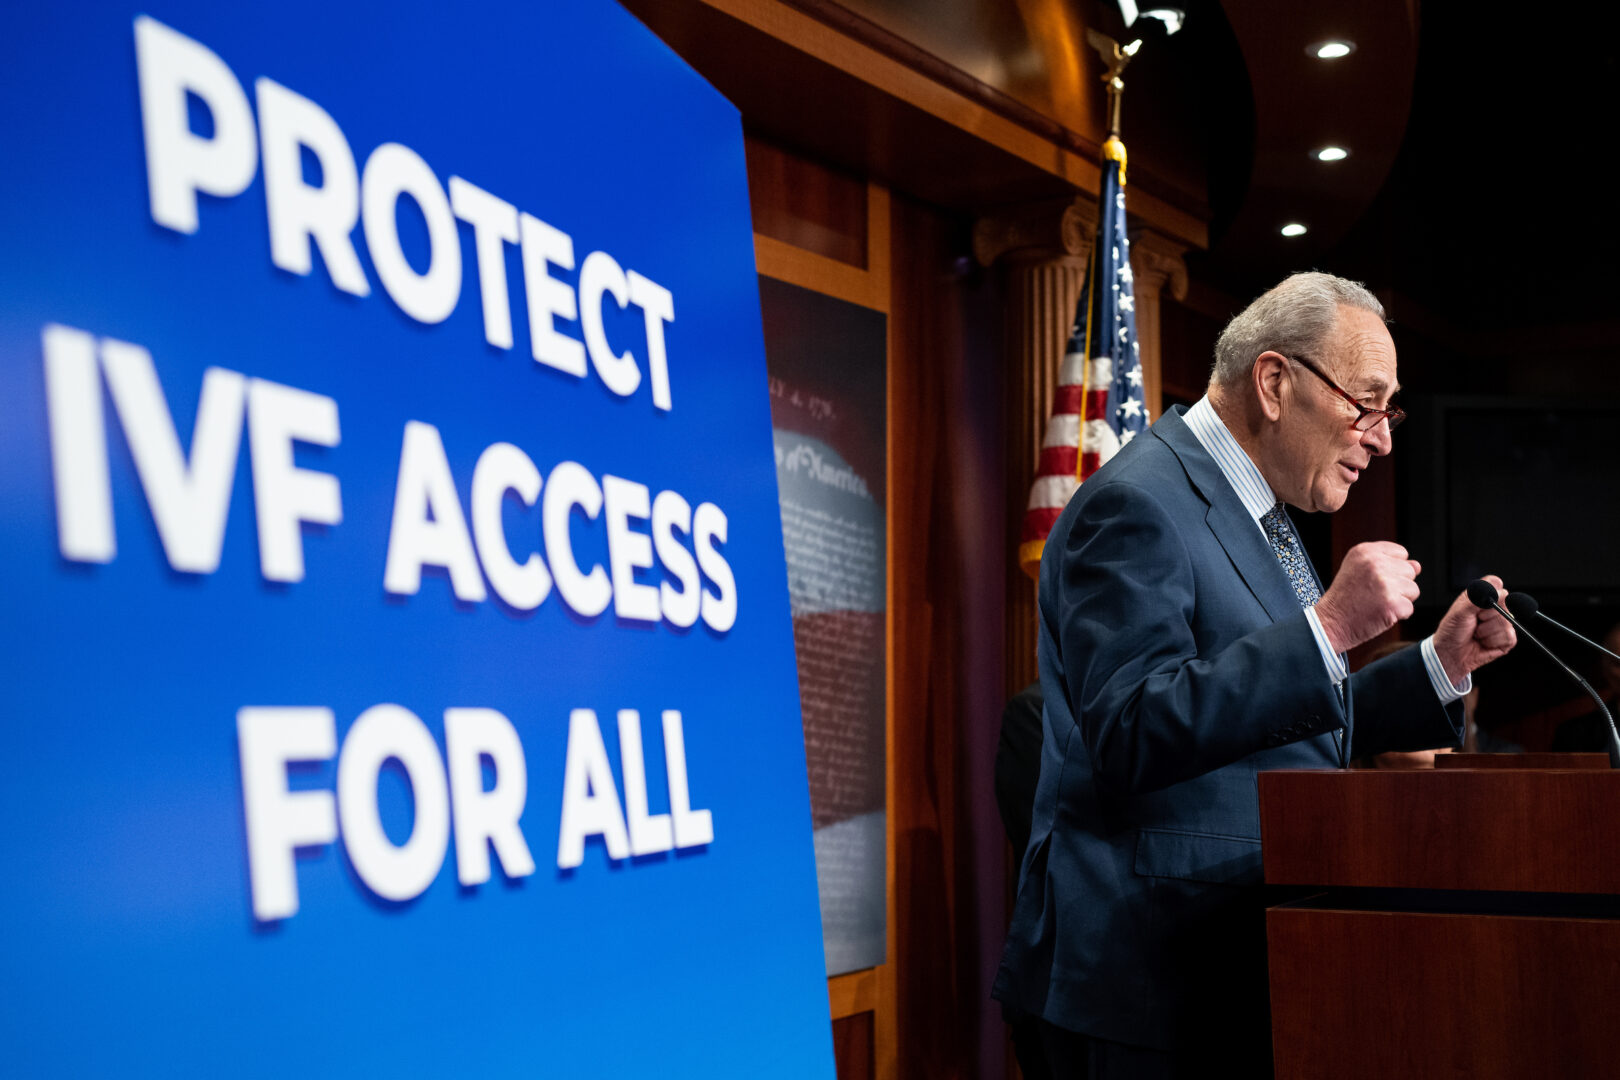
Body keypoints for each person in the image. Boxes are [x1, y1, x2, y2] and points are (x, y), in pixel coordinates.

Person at [992, 272, 1518, 1077]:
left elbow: (1286, 727)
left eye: (1391, 409)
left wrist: (1435, 668)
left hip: (1238, 959)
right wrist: (1332, 626)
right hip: (1145, 980)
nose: (1381, 437)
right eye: (1366, 402)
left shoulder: (1259, 510)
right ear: (1274, 382)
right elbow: (1131, 729)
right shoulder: (1134, 504)